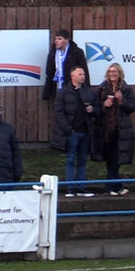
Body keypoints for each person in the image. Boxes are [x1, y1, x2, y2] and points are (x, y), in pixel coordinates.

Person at [91, 63, 135, 196]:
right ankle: (114, 186)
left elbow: (132, 107)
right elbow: (95, 108)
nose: (112, 74)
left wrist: (121, 101)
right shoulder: (102, 88)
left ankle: (113, 186)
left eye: (115, 72)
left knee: (116, 159)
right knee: (110, 158)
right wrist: (104, 104)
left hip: (121, 129)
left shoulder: (126, 89)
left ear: (119, 73)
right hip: (105, 129)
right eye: (110, 71)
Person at [52, 66, 98, 198]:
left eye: (83, 74)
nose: (82, 76)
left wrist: (92, 110)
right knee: (71, 159)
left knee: (83, 160)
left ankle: (81, 187)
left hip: (85, 132)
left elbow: (98, 110)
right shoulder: (63, 92)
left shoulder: (89, 92)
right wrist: (68, 130)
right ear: (73, 76)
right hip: (72, 132)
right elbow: (59, 112)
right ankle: (70, 188)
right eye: (80, 74)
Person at [43, 29, 89, 100]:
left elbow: (84, 71)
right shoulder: (52, 53)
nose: (56, 41)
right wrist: (46, 93)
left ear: (67, 40)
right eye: (56, 38)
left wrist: (86, 91)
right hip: (57, 89)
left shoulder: (76, 52)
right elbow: (49, 74)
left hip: (73, 90)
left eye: (59, 39)